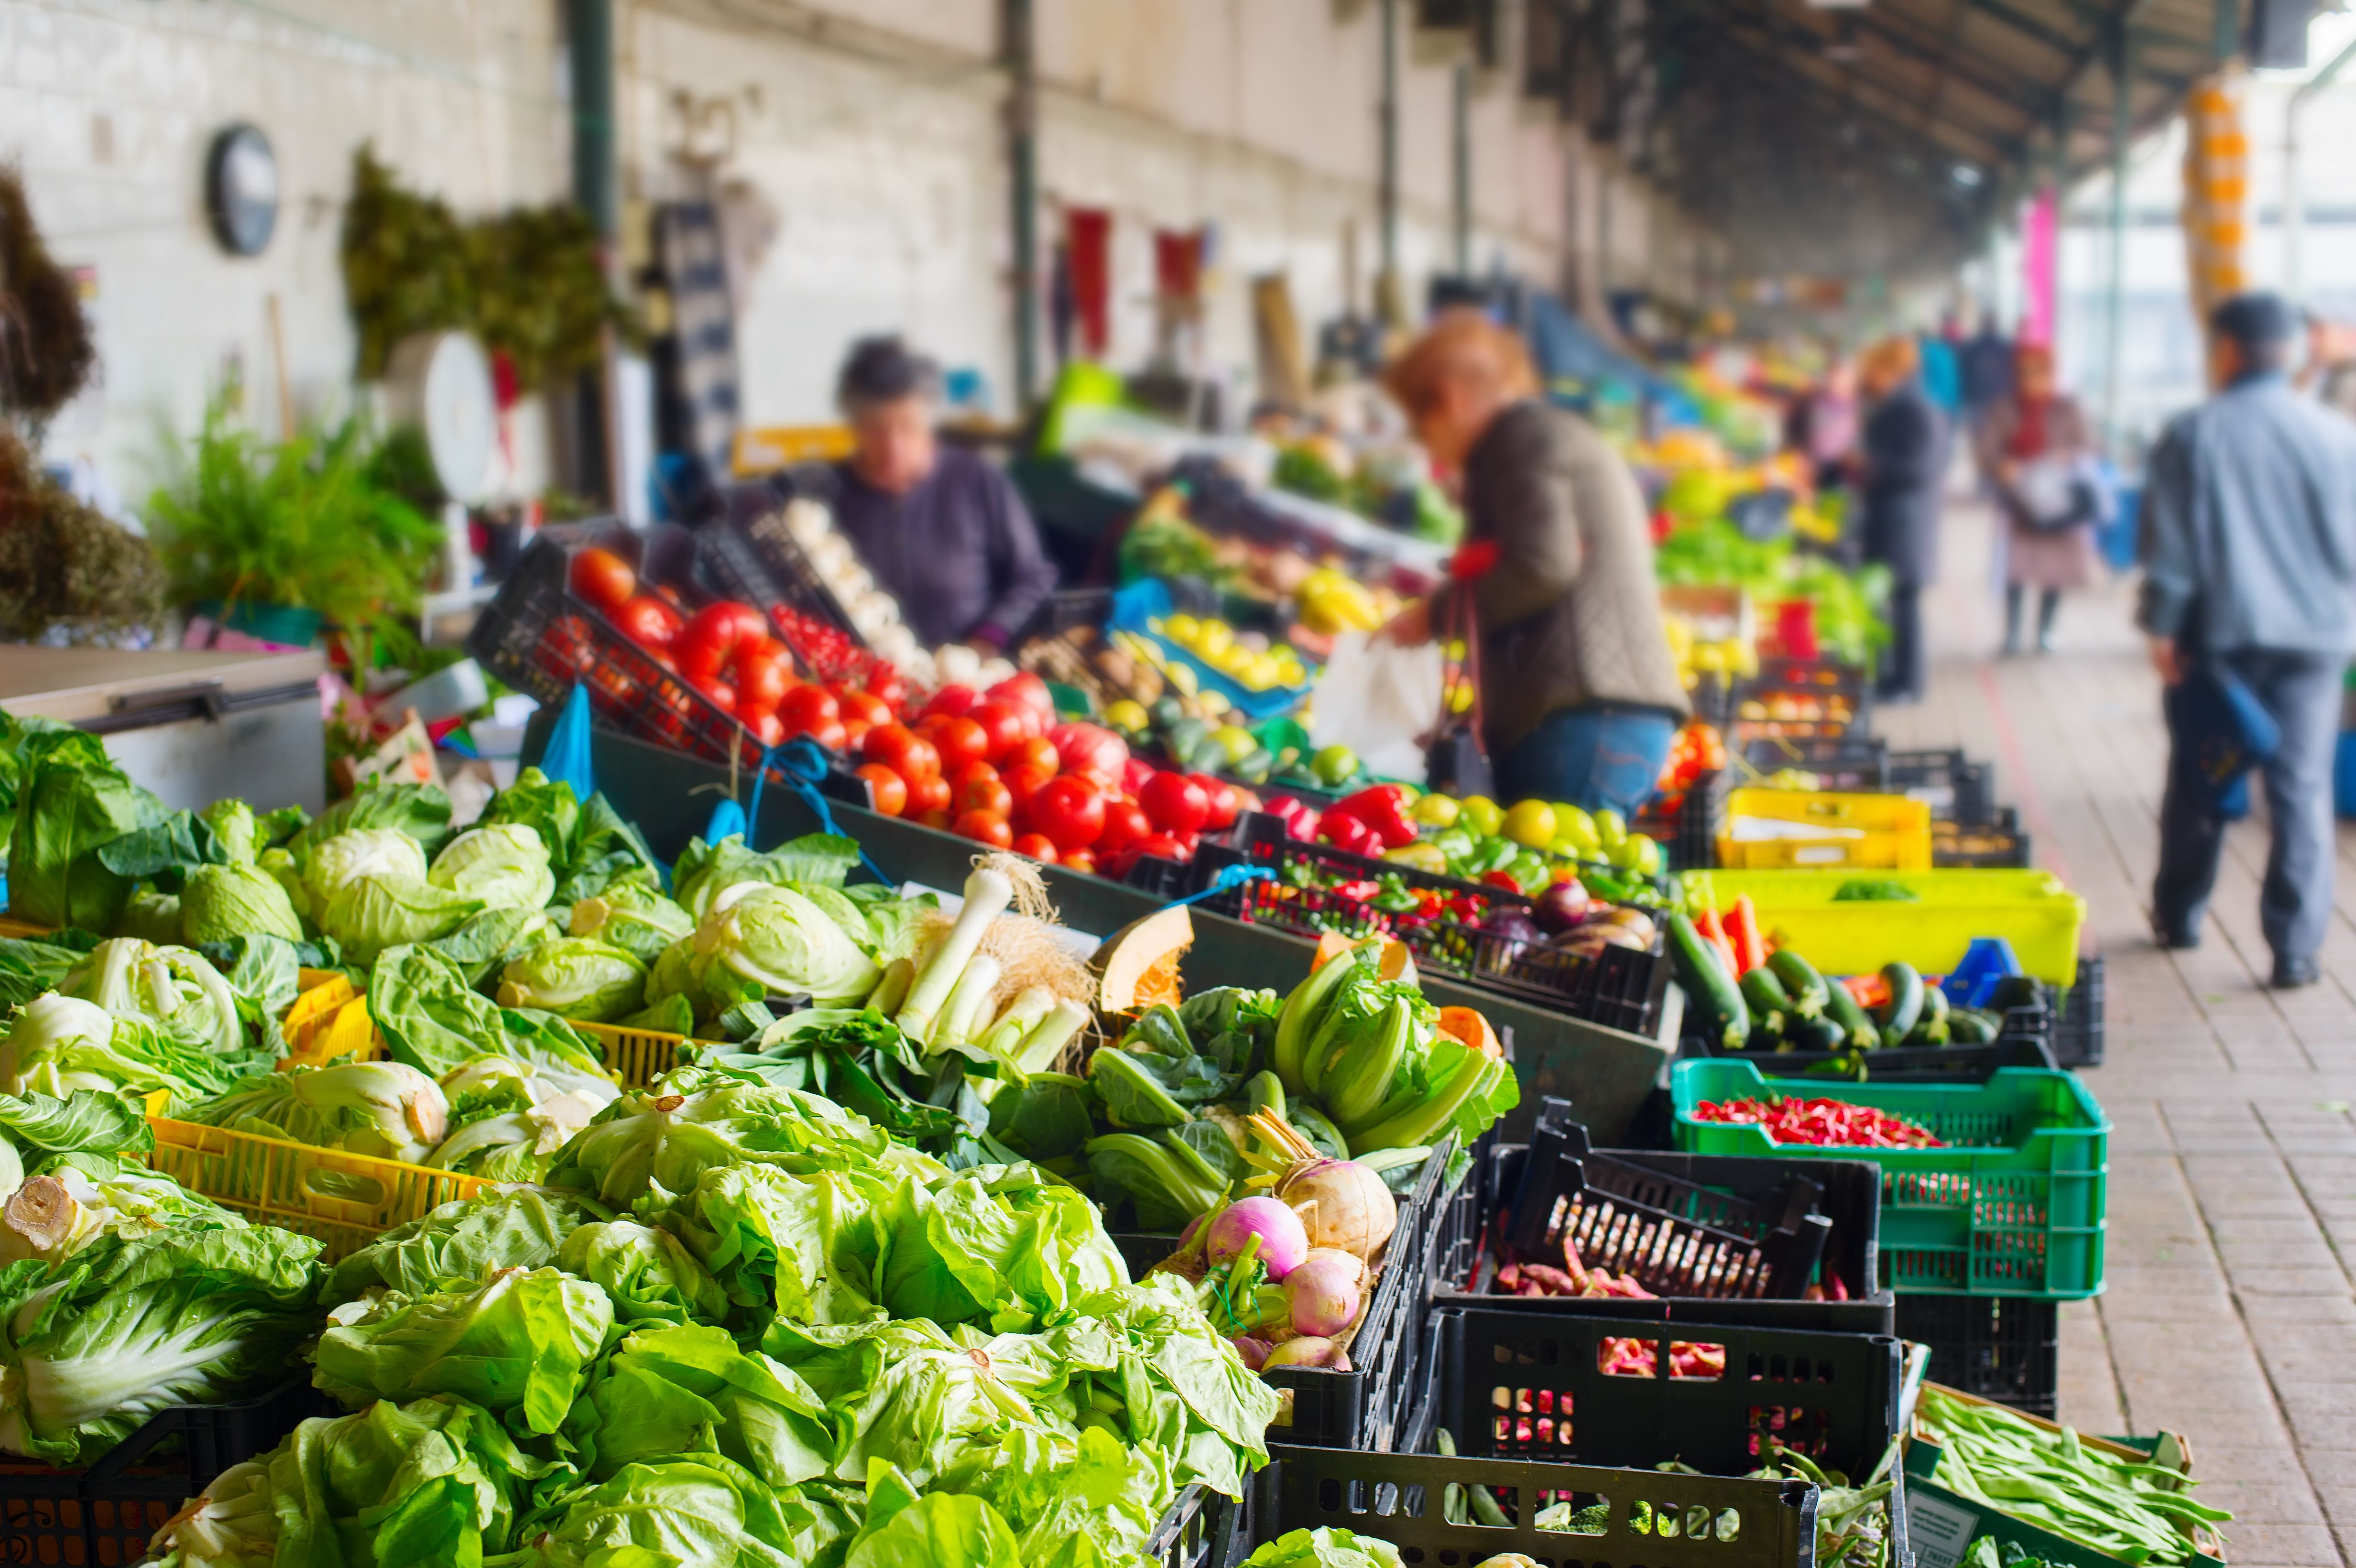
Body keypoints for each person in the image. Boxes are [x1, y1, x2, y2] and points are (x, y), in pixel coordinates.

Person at [1377, 309, 1689, 816]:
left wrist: (1430, 618)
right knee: (1565, 888)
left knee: (1554, 887)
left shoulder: (1518, 442)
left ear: (1450, 400)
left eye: (1421, 425)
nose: (1426, 443)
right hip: (1607, 718)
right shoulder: (1549, 434)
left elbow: (1541, 565)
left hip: (1580, 722)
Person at [2140, 292, 2356, 989]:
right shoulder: (2338, 436)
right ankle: (2295, 949)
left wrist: (2164, 627)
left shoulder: (2195, 432)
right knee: (2301, 784)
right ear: (2290, 350)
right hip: (2318, 640)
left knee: (2205, 770)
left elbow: (2170, 552)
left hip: (2223, 639)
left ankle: (2181, 914)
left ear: (2226, 349)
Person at [816, 336, 1058, 653]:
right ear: (854, 425)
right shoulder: (827, 494)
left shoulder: (977, 480)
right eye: (876, 429)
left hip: (965, 676)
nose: (894, 448)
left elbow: (1034, 576)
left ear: (930, 421)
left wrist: (988, 639)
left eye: (908, 426)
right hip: (860, 683)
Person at [1977, 344, 2102, 653]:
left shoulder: (2067, 406)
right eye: (2024, 373)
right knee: (2015, 570)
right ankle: (2013, 633)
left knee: (2055, 571)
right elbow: (1986, 450)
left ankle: (2045, 631)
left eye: (2038, 373)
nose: (2030, 380)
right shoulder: (2004, 407)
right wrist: (2000, 466)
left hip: (2059, 503)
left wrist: (2065, 457)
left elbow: (2089, 446)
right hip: (2020, 501)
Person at [1854, 337, 1948, 704]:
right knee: (1895, 602)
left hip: (1905, 522)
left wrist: (1869, 467)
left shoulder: (1914, 408)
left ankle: (1907, 683)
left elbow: (1920, 467)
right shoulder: (1900, 404)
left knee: (1905, 606)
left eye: (1873, 370)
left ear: (1891, 370)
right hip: (1895, 517)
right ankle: (1895, 679)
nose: (1869, 378)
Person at [1785, 355, 1860, 494]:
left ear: (1852, 381)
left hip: (1834, 472)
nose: (1836, 381)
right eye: (1834, 375)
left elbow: (1854, 446)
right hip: (1803, 463)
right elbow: (1793, 426)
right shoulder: (1811, 398)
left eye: (1843, 377)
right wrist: (1798, 453)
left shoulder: (1857, 409)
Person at [1959, 311, 2017, 433]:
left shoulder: (1971, 347)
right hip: (2000, 399)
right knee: (1999, 435)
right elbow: (2013, 374)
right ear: (1996, 325)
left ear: (1982, 324)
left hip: (1977, 399)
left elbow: (1964, 373)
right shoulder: (2006, 348)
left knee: (1979, 434)